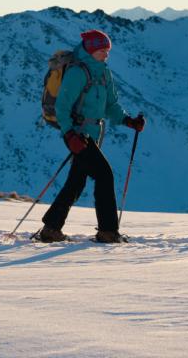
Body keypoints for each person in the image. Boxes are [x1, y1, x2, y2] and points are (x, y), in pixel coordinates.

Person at [38, 29, 145, 243]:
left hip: (93, 134)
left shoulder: (104, 73)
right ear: (90, 50)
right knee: (105, 175)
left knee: (76, 182)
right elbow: (62, 106)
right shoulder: (78, 72)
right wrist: (69, 135)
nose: (106, 54)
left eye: (107, 51)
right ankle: (107, 231)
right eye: (102, 50)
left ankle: (51, 229)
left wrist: (128, 121)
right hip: (79, 135)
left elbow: (110, 106)